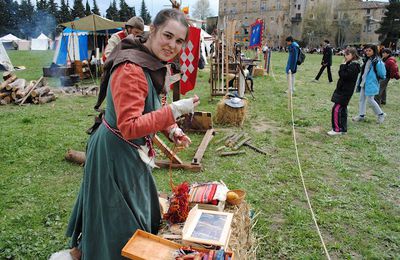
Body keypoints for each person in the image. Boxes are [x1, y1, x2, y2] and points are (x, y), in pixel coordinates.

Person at [66, 9, 199, 260]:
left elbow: (151, 105)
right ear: (153, 30)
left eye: (179, 41)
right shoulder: (131, 67)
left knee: (134, 214)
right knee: (118, 222)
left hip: (130, 152)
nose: (172, 45)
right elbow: (130, 126)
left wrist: (172, 129)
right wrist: (174, 111)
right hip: (114, 153)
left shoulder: (150, 59)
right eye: (167, 36)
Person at [327, 47, 361, 136]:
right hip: (343, 89)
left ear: (353, 55)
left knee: (336, 109)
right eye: (345, 54)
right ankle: (343, 129)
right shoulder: (350, 63)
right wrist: (344, 65)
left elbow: (344, 75)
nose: (345, 56)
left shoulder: (354, 65)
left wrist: (342, 65)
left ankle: (337, 129)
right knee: (342, 109)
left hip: (345, 91)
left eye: (348, 54)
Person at [353, 44, 386, 124]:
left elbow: (382, 74)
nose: (367, 52)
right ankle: (361, 115)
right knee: (362, 99)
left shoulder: (377, 61)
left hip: (371, 83)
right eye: (366, 50)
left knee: (370, 100)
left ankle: (381, 114)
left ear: (374, 51)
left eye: (369, 50)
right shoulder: (367, 59)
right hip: (364, 82)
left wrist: (374, 79)